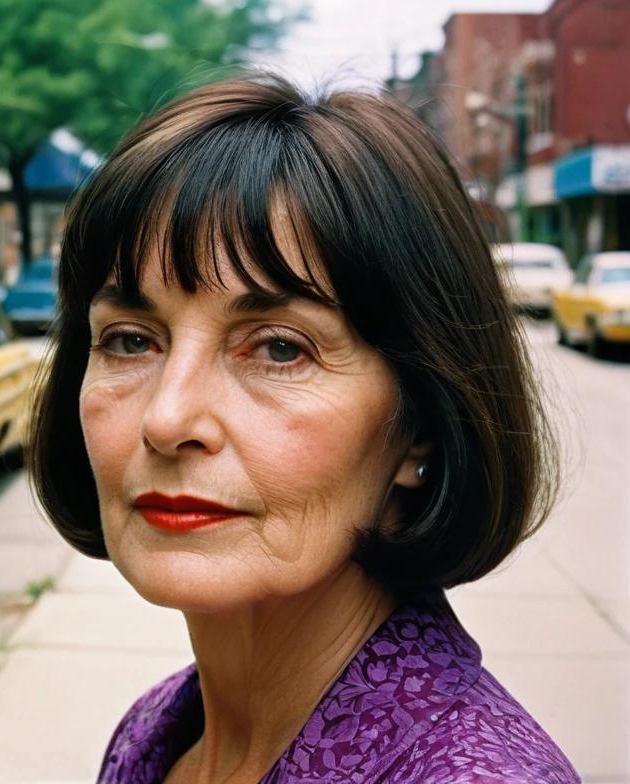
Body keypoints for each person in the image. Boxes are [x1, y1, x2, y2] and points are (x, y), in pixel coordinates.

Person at [30, 73, 580, 783]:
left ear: (422, 425)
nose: (167, 420)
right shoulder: (152, 731)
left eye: (280, 348)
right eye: (131, 340)